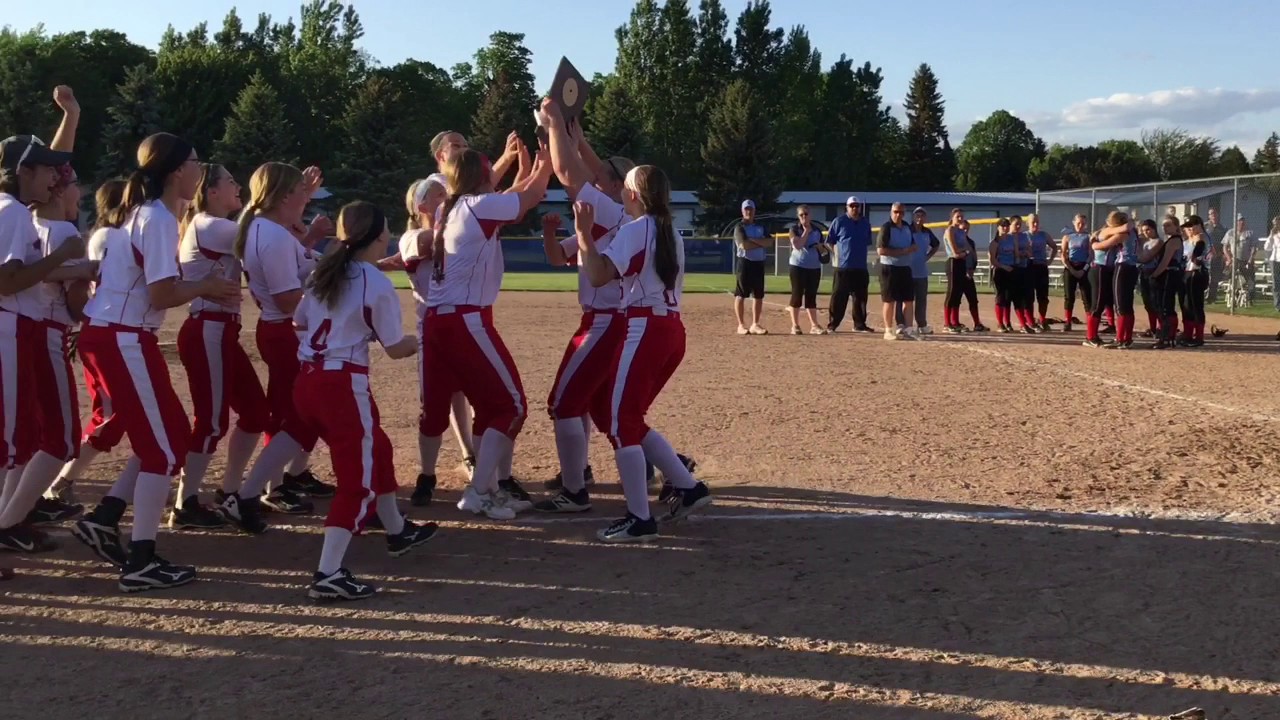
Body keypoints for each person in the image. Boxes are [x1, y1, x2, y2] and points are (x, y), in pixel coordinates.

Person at [71, 132, 241, 592]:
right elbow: (162, 293)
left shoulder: (150, 212)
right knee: (161, 450)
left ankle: (105, 519)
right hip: (122, 336)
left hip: (119, 333)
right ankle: (141, 560)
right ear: (174, 172)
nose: (198, 170)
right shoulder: (159, 216)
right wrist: (206, 287)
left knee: (171, 436)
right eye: (194, 162)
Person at [292, 201, 437, 601]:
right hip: (342, 386)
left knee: (379, 448)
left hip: (308, 380)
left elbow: (301, 322)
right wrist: (419, 340)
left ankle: (396, 531)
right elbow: (394, 348)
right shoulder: (373, 280)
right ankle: (328, 572)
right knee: (357, 484)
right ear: (378, 237)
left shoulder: (324, 268)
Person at [571, 164, 712, 543]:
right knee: (629, 417)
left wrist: (584, 235)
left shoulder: (636, 230)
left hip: (645, 328)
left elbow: (599, 275)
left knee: (620, 423)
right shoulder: (669, 231)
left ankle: (639, 517)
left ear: (632, 195)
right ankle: (687, 487)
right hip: (669, 330)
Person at [422, 147, 551, 521]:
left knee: (489, 408)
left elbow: (513, 197)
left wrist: (528, 169)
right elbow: (528, 198)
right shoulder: (478, 206)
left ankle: (490, 489)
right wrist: (545, 164)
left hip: (443, 320)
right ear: (481, 178)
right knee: (512, 406)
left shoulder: (454, 207)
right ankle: (479, 491)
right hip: (465, 319)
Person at [220, 162, 331, 533]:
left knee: (294, 414)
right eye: (301, 193)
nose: (306, 200)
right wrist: (329, 289)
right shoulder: (272, 234)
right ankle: (258, 491)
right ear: (284, 196)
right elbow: (287, 299)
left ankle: (263, 488)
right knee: (301, 416)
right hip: (287, 332)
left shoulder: (264, 228)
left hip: (279, 331)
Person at [0, 94, 87, 554]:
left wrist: (71, 117)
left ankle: (11, 519)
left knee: (21, 438)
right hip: (20, 328)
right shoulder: (17, 212)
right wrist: (68, 262)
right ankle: (6, 523)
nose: (59, 178)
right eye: (48, 171)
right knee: (25, 440)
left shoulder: (20, 210)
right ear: (24, 173)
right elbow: (6, 282)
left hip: (24, 328)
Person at [171, 163, 270, 530]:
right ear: (211, 192)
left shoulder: (216, 226)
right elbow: (257, 236)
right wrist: (271, 198)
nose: (237, 186)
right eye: (230, 181)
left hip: (221, 330)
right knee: (211, 421)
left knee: (256, 414)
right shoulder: (209, 225)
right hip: (207, 329)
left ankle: (229, 492)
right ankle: (185, 502)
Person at [24, 164, 96, 528]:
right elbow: (75, 306)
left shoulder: (29, 223)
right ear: (57, 190)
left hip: (28, 330)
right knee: (61, 436)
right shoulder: (66, 231)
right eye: (74, 187)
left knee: (32, 429)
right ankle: (19, 512)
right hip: (50, 332)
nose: (78, 195)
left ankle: (25, 504)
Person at [48, 179, 126, 504]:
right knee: (112, 415)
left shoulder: (105, 235)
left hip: (112, 331)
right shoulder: (110, 236)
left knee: (124, 412)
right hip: (107, 332)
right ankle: (60, 482)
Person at [1090, 212, 1138, 349]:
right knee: (1127, 304)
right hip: (1132, 267)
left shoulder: (1123, 234)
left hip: (1122, 266)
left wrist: (1094, 242)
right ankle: (1127, 338)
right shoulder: (1133, 231)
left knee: (1120, 305)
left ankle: (1120, 339)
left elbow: (1100, 245)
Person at [826, 196, 873, 332]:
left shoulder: (865, 223)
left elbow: (867, 241)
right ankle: (833, 324)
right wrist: (836, 254)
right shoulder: (839, 221)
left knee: (860, 298)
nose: (854, 208)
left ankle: (859, 324)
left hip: (860, 266)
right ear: (846, 207)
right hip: (843, 267)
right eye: (851, 206)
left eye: (856, 206)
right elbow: (829, 241)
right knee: (839, 296)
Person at [877, 202, 918, 340]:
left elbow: (912, 244)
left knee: (908, 299)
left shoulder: (907, 227)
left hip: (905, 267)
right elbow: (881, 250)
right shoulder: (886, 228)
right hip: (889, 268)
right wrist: (902, 251)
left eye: (901, 212)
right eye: (895, 212)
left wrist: (912, 248)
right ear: (891, 212)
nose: (898, 215)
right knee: (889, 300)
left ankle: (908, 329)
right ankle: (888, 330)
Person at [896, 207, 938, 334]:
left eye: (922, 216)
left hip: (921, 271)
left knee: (921, 299)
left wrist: (928, 256)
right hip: (906, 270)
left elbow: (936, 244)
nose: (919, 219)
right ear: (913, 217)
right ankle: (901, 324)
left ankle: (921, 324)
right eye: (917, 216)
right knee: (903, 299)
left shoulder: (927, 232)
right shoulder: (906, 230)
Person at [787, 205, 827, 335]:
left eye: (806, 214)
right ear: (798, 217)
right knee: (797, 295)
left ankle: (814, 325)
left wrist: (821, 248)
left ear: (810, 215)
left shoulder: (817, 231)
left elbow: (822, 250)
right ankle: (795, 325)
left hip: (814, 267)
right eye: (801, 215)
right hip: (798, 266)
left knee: (811, 296)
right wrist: (806, 231)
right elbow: (798, 245)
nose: (804, 217)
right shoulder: (794, 229)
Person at [732, 200, 769, 335]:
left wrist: (752, 240)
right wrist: (760, 242)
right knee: (741, 294)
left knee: (758, 295)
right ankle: (741, 325)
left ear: (754, 211)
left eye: (751, 209)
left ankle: (755, 324)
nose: (748, 211)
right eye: (746, 209)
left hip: (758, 263)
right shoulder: (739, 227)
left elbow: (769, 241)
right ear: (742, 211)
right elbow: (744, 245)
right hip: (745, 263)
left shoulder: (761, 226)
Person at [1149, 216, 1185, 349]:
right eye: (1164, 225)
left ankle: (1168, 337)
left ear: (1176, 226)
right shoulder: (1170, 240)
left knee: (1166, 305)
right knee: (1164, 305)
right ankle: (1167, 336)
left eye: (1168, 225)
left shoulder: (1174, 241)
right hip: (1169, 274)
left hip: (1170, 274)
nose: (1165, 228)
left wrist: (1154, 275)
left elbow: (1165, 262)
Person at [1179, 215, 1209, 347]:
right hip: (1186, 273)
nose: (1190, 228)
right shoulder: (1186, 241)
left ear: (1199, 225)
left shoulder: (1201, 238)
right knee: (1186, 305)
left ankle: (1199, 336)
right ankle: (1188, 334)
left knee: (1195, 304)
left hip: (1197, 273)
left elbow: (1197, 257)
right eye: (1187, 226)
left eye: (1193, 225)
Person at [1060, 214, 1092, 333]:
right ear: (1074, 223)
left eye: (1083, 223)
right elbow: (1063, 254)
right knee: (1069, 296)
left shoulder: (1088, 236)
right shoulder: (1068, 236)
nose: (1080, 225)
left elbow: (1091, 255)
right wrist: (1071, 269)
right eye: (1078, 223)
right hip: (1070, 266)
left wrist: (1084, 269)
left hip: (1084, 265)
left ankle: (1090, 322)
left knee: (1087, 296)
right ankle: (1067, 322)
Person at [1027, 213, 1058, 330]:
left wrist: (1049, 260)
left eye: (1037, 222)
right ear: (1028, 224)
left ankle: (1042, 319)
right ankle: (1030, 321)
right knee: (1029, 296)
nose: (1035, 224)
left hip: (1041, 266)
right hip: (1029, 267)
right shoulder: (1024, 236)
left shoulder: (1043, 235)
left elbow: (1054, 247)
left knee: (1043, 296)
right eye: (1033, 222)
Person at [941, 208, 969, 333]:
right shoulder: (950, 230)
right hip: (953, 262)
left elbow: (965, 249)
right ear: (952, 217)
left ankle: (955, 321)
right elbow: (955, 250)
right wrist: (963, 252)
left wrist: (964, 252)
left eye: (961, 216)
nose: (960, 218)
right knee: (952, 292)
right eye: (958, 216)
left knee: (958, 293)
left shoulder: (961, 231)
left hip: (961, 262)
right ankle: (947, 323)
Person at [988, 218, 1017, 333]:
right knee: (1000, 298)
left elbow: (1015, 254)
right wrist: (1004, 267)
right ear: (998, 227)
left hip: (1010, 269)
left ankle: (1008, 322)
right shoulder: (995, 242)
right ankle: (1000, 323)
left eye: (1007, 226)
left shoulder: (1011, 239)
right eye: (1003, 226)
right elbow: (993, 260)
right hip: (1000, 271)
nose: (1005, 228)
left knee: (1008, 298)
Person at [1009, 216, 1036, 333]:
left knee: (1028, 297)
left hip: (1025, 268)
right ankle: (1020, 323)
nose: (1019, 227)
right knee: (1015, 298)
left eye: (1020, 224)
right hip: (1012, 269)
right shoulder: (1007, 237)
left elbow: (1030, 252)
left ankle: (1029, 322)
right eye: (1016, 224)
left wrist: (1025, 253)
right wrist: (1020, 253)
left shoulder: (1024, 236)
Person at [960, 220, 988, 332]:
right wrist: (965, 270)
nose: (965, 231)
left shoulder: (970, 242)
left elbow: (974, 258)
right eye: (963, 228)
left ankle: (977, 323)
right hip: (959, 273)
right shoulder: (957, 241)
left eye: (967, 229)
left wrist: (972, 270)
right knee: (955, 299)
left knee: (973, 299)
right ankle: (952, 323)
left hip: (969, 274)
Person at [1222, 215, 1255, 305]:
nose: (1241, 223)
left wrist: (1250, 259)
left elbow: (1253, 248)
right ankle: (1233, 294)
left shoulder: (1249, 233)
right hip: (1234, 259)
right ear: (1235, 222)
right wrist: (1229, 258)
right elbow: (1225, 247)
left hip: (1246, 260)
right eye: (1239, 221)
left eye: (1243, 221)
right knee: (1230, 275)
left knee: (1250, 280)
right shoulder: (1230, 233)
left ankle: (1249, 299)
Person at [1204, 207, 1226, 303]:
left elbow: (1224, 242)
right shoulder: (1205, 227)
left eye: (1214, 213)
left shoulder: (1222, 228)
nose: (1213, 215)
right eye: (1211, 214)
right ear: (1209, 216)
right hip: (1207, 254)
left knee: (1215, 277)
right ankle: (1203, 295)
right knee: (1205, 276)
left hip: (1218, 255)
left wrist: (1221, 253)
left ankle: (1212, 297)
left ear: (1218, 214)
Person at [1264, 216, 1280, 313]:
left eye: (1277, 223)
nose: (1276, 225)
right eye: (1275, 224)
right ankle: (1277, 304)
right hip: (1274, 260)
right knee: (1276, 284)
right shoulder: (1273, 235)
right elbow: (1267, 247)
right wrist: (1271, 235)